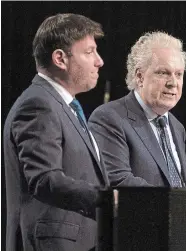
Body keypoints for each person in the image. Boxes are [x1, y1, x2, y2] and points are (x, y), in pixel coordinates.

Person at [3, 13, 109, 251]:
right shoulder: (38, 104)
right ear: (60, 58)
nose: (99, 61)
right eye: (89, 52)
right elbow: (45, 179)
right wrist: (107, 200)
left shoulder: (62, 105)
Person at [88, 31, 186, 188]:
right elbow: (118, 181)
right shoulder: (109, 118)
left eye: (179, 74)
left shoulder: (177, 127)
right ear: (140, 77)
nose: (173, 83)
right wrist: (176, 204)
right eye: (163, 73)